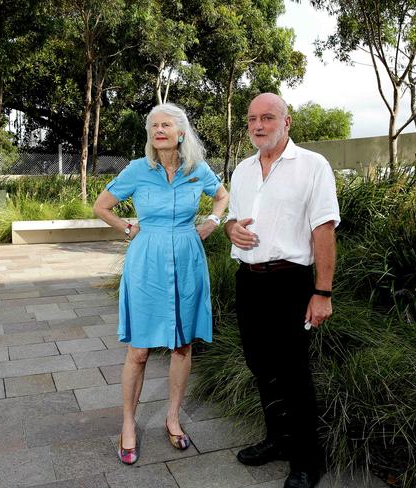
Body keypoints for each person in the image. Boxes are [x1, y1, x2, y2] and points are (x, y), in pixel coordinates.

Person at [93, 103, 229, 465]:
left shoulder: (196, 170)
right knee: (139, 349)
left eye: (165, 124)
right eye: (153, 125)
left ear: (180, 132)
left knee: (182, 345)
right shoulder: (138, 170)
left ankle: (172, 417)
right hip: (147, 261)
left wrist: (213, 222)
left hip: (187, 257)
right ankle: (128, 424)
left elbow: (222, 195)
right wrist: (127, 227)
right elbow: (101, 206)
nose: (158, 130)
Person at [224, 93, 339, 488]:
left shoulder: (312, 166)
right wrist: (230, 228)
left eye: (268, 118)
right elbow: (234, 219)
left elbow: (323, 230)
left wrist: (322, 292)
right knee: (261, 367)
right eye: (253, 119)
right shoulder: (242, 170)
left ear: (286, 122)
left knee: (293, 374)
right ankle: (276, 440)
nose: (258, 125)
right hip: (249, 281)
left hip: (291, 282)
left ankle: (307, 462)